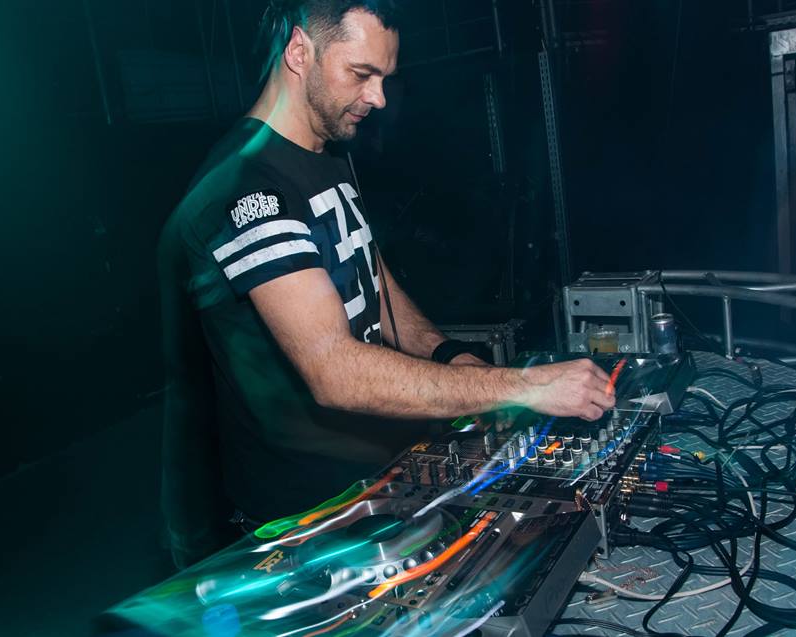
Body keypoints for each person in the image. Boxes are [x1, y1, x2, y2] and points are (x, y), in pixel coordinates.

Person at [157, 0, 615, 567]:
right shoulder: (248, 185)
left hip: (379, 487)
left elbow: (372, 279)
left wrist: (448, 353)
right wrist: (521, 386)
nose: (378, 98)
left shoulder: (323, 153)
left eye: (384, 78)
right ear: (299, 51)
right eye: (361, 73)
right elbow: (335, 372)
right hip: (308, 525)